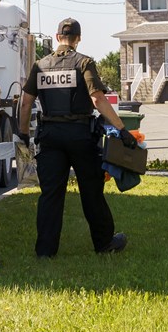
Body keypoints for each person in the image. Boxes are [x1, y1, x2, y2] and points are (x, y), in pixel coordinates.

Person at [16, 18, 136, 258]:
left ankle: (45, 251)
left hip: (49, 137)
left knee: (51, 194)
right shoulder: (84, 63)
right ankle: (104, 243)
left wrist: (23, 135)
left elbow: (26, 102)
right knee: (91, 191)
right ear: (78, 38)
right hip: (80, 136)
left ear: (57, 36)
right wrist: (122, 130)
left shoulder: (40, 65)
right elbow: (98, 99)